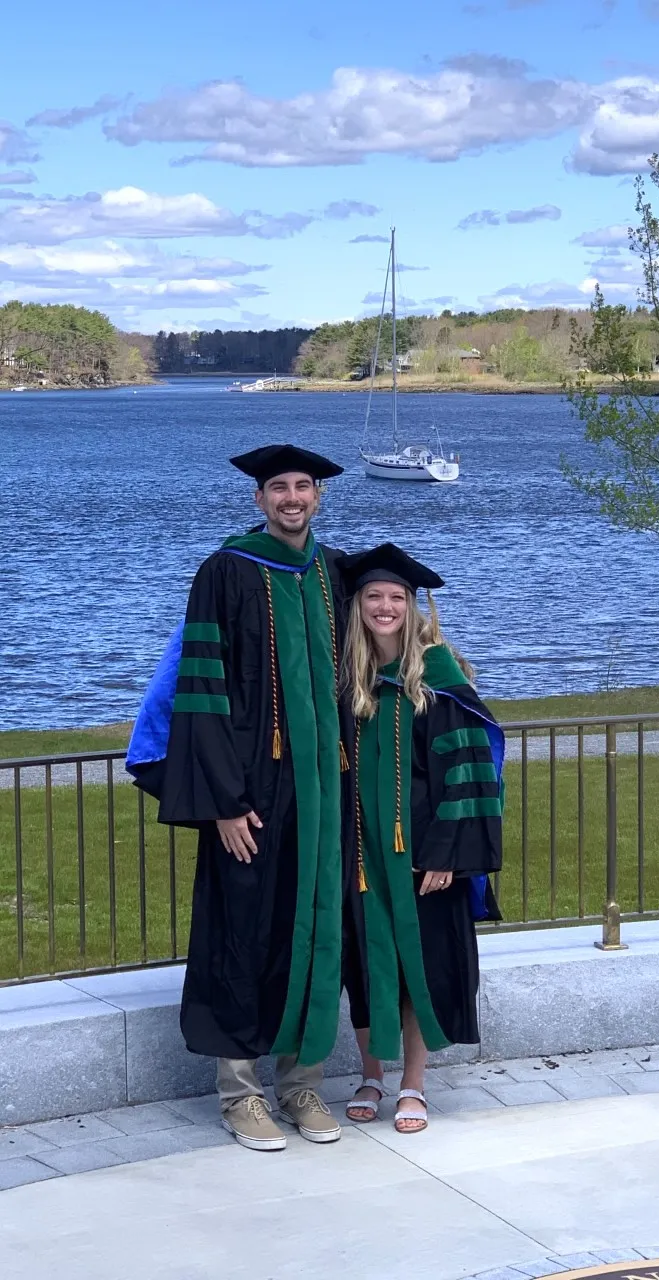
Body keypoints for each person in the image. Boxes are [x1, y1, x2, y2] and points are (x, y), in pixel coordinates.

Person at [127, 444, 349, 1153]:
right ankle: (241, 1092)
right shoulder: (225, 572)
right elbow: (200, 694)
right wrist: (222, 800)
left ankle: (302, 1082)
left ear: (318, 497)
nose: (292, 497)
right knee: (241, 932)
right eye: (279, 487)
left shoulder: (333, 574)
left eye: (303, 486)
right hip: (250, 794)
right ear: (259, 501)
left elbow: (382, 650)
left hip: (323, 792)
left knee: (312, 931)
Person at [337, 543, 503, 1134]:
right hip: (356, 856)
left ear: (413, 606)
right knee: (361, 965)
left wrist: (448, 855)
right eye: (374, 597)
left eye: (397, 598)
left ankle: (412, 1084)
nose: (386, 607)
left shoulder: (434, 677)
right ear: (357, 606)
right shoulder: (345, 679)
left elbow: (471, 771)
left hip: (421, 857)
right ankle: (369, 1075)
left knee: (417, 968)